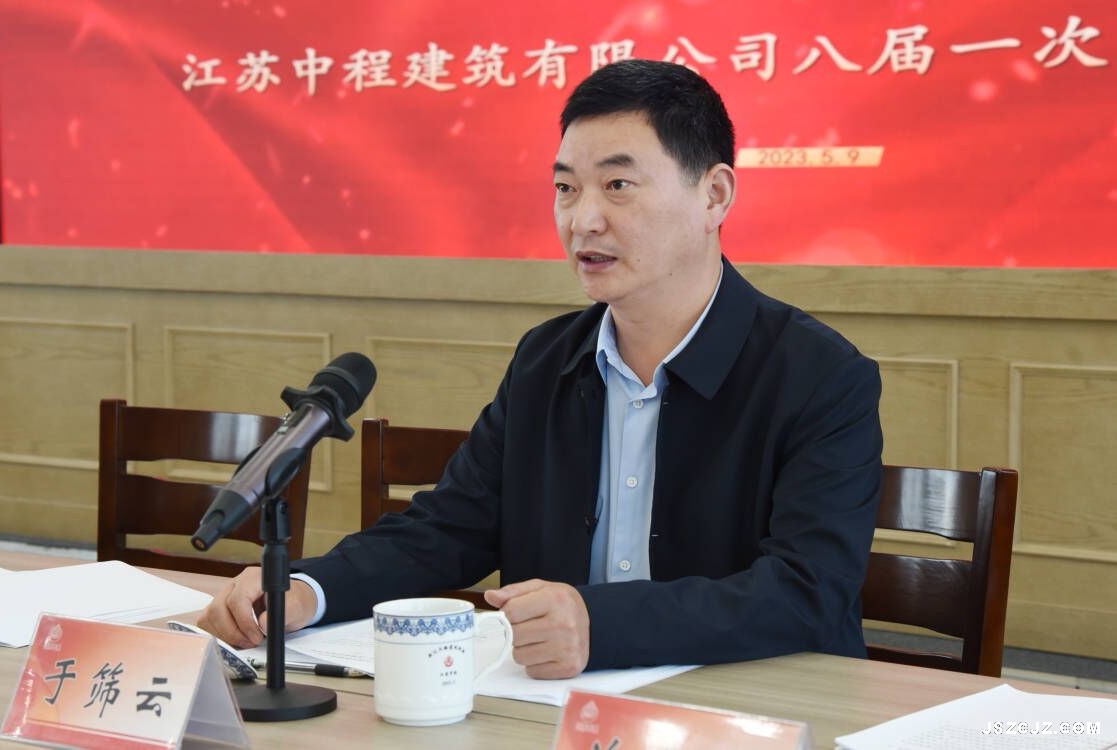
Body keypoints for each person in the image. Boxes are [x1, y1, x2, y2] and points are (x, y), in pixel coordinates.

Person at [198, 59, 883, 680]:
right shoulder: (545, 360)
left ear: (714, 195)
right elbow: (450, 528)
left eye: (617, 185)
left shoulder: (819, 376)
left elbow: (807, 591)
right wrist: (307, 589)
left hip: (754, 706)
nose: (583, 219)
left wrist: (599, 624)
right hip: (554, 707)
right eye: (565, 188)